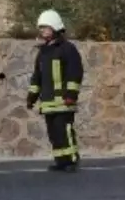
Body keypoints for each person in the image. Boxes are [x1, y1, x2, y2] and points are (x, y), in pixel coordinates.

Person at [26, 10, 84, 173]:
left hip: (64, 102)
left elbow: (75, 72)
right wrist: (31, 97)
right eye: (41, 28)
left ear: (55, 27)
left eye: (46, 27)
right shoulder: (43, 53)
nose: (42, 31)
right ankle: (60, 161)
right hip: (48, 103)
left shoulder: (67, 49)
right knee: (54, 134)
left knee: (64, 131)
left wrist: (71, 95)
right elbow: (37, 77)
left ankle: (71, 160)